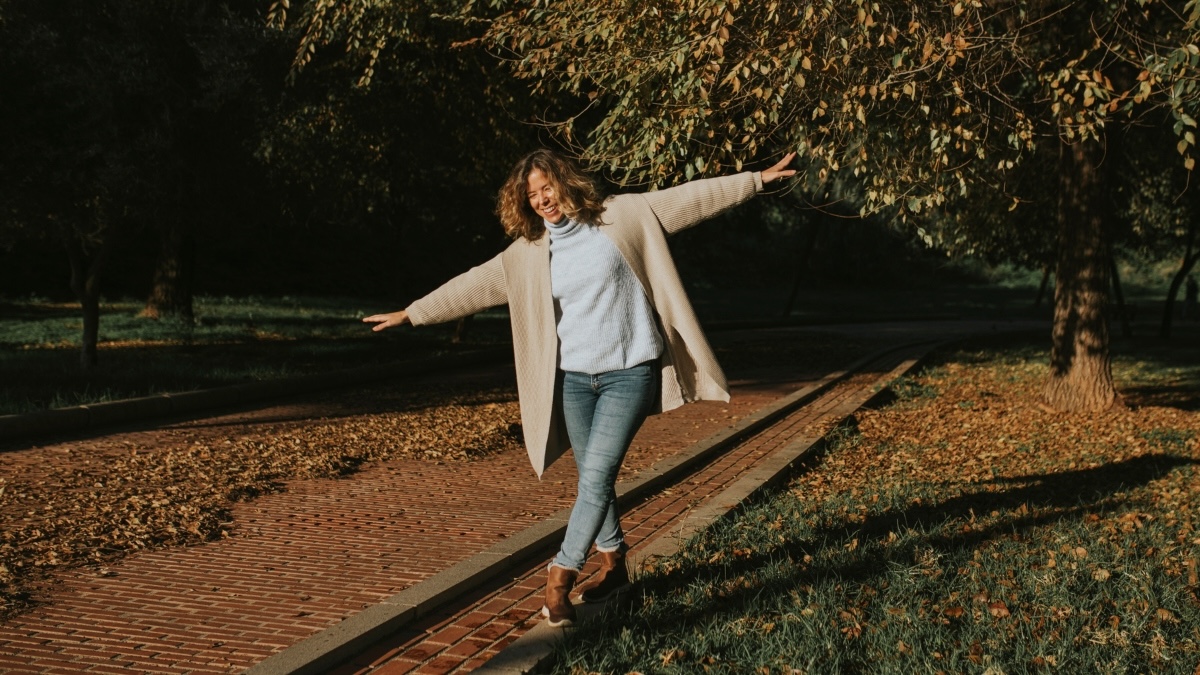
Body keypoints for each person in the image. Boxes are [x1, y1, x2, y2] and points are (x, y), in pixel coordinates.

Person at [364, 149, 796, 627]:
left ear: (565, 183)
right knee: (595, 480)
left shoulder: (623, 216)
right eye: (531, 195)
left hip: (630, 372)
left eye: (546, 187)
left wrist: (756, 179)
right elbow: (474, 285)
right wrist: (413, 313)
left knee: (595, 478)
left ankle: (559, 576)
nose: (542, 200)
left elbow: (692, 199)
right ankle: (614, 568)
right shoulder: (529, 253)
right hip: (575, 382)